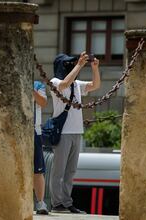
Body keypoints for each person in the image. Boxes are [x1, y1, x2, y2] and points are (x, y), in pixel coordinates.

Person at [49, 52, 100, 214]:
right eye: (68, 64)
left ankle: (67, 202)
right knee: (59, 171)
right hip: (63, 132)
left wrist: (95, 68)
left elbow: (95, 86)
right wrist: (79, 65)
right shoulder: (54, 81)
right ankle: (57, 203)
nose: (71, 65)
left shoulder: (76, 83)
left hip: (77, 131)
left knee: (70, 171)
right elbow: (64, 84)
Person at [33, 81, 49, 215]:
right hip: (13, 130)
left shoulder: (38, 85)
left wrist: (30, 89)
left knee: (38, 170)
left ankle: (40, 202)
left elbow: (43, 103)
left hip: (34, 131)